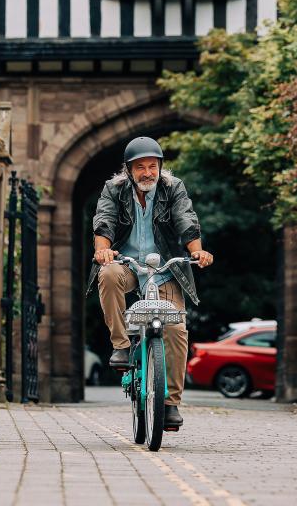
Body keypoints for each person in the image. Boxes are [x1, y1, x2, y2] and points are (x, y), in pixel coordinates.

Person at [85, 136, 214, 428]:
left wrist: (198, 252)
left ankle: (170, 404)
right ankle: (120, 345)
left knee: (176, 329)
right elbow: (104, 220)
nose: (147, 173)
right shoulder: (113, 190)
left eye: (152, 166)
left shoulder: (173, 188)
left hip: (166, 269)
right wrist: (102, 251)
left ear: (160, 167)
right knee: (108, 274)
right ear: (129, 169)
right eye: (140, 167)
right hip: (128, 265)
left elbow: (186, 220)